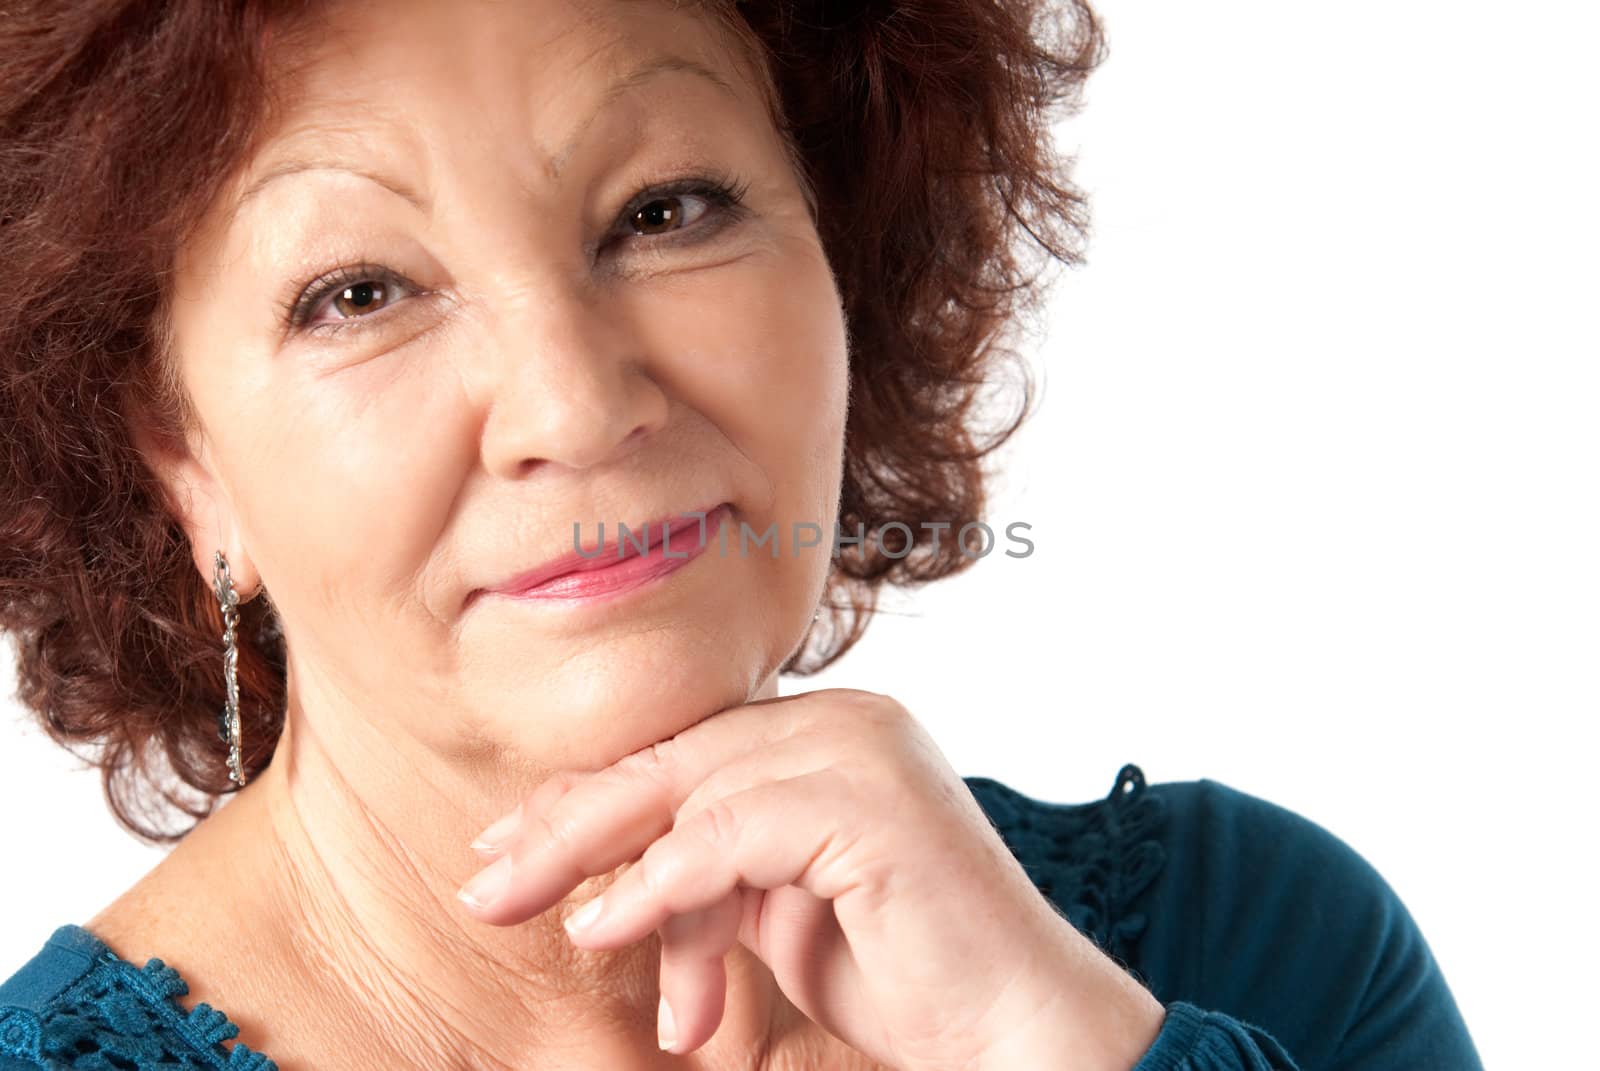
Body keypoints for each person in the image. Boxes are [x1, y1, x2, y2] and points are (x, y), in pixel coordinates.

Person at [0, 2, 1483, 1069]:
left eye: (663, 208)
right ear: (181, 459)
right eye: (359, 294)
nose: (574, 407)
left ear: (844, 257)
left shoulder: (1252, 947)